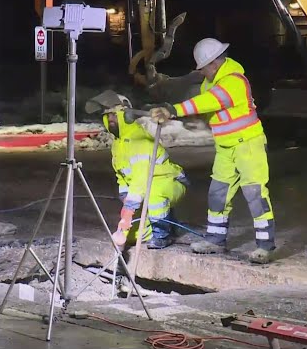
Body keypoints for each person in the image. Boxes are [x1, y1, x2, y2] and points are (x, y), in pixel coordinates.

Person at [149, 38, 276, 264]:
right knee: (217, 194)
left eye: (203, 67)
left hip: (248, 145)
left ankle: (265, 247)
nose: (201, 72)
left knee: (255, 195)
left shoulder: (235, 81)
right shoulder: (213, 81)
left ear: (213, 65)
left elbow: (209, 101)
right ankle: (215, 241)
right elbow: (203, 102)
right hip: (226, 146)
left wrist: (173, 110)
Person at [101, 93, 189, 250]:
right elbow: (121, 174)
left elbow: (141, 180)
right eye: (108, 116)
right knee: (136, 236)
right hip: (146, 187)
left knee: (154, 192)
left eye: (114, 114)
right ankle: (172, 224)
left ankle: (162, 234)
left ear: (126, 115)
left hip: (170, 182)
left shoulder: (139, 140)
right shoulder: (118, 143)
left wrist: (129, 209)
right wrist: (124, 196)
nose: (111, 119)